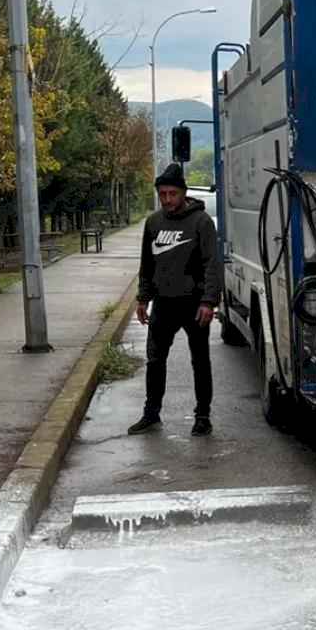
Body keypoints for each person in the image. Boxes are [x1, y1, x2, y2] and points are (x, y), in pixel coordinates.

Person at [129, 163, 222, 437]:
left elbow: (212, 265)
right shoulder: (154, 223)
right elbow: (147, 264)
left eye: (172, 193)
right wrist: (143, 299)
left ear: (183, 192)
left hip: (194, 305)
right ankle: (151, 414)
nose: (167, 199)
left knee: (200, 361)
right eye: (163, 194)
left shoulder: (201, 222)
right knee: (155, 360)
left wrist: (209, 302)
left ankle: (202, 416)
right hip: (164, 305)